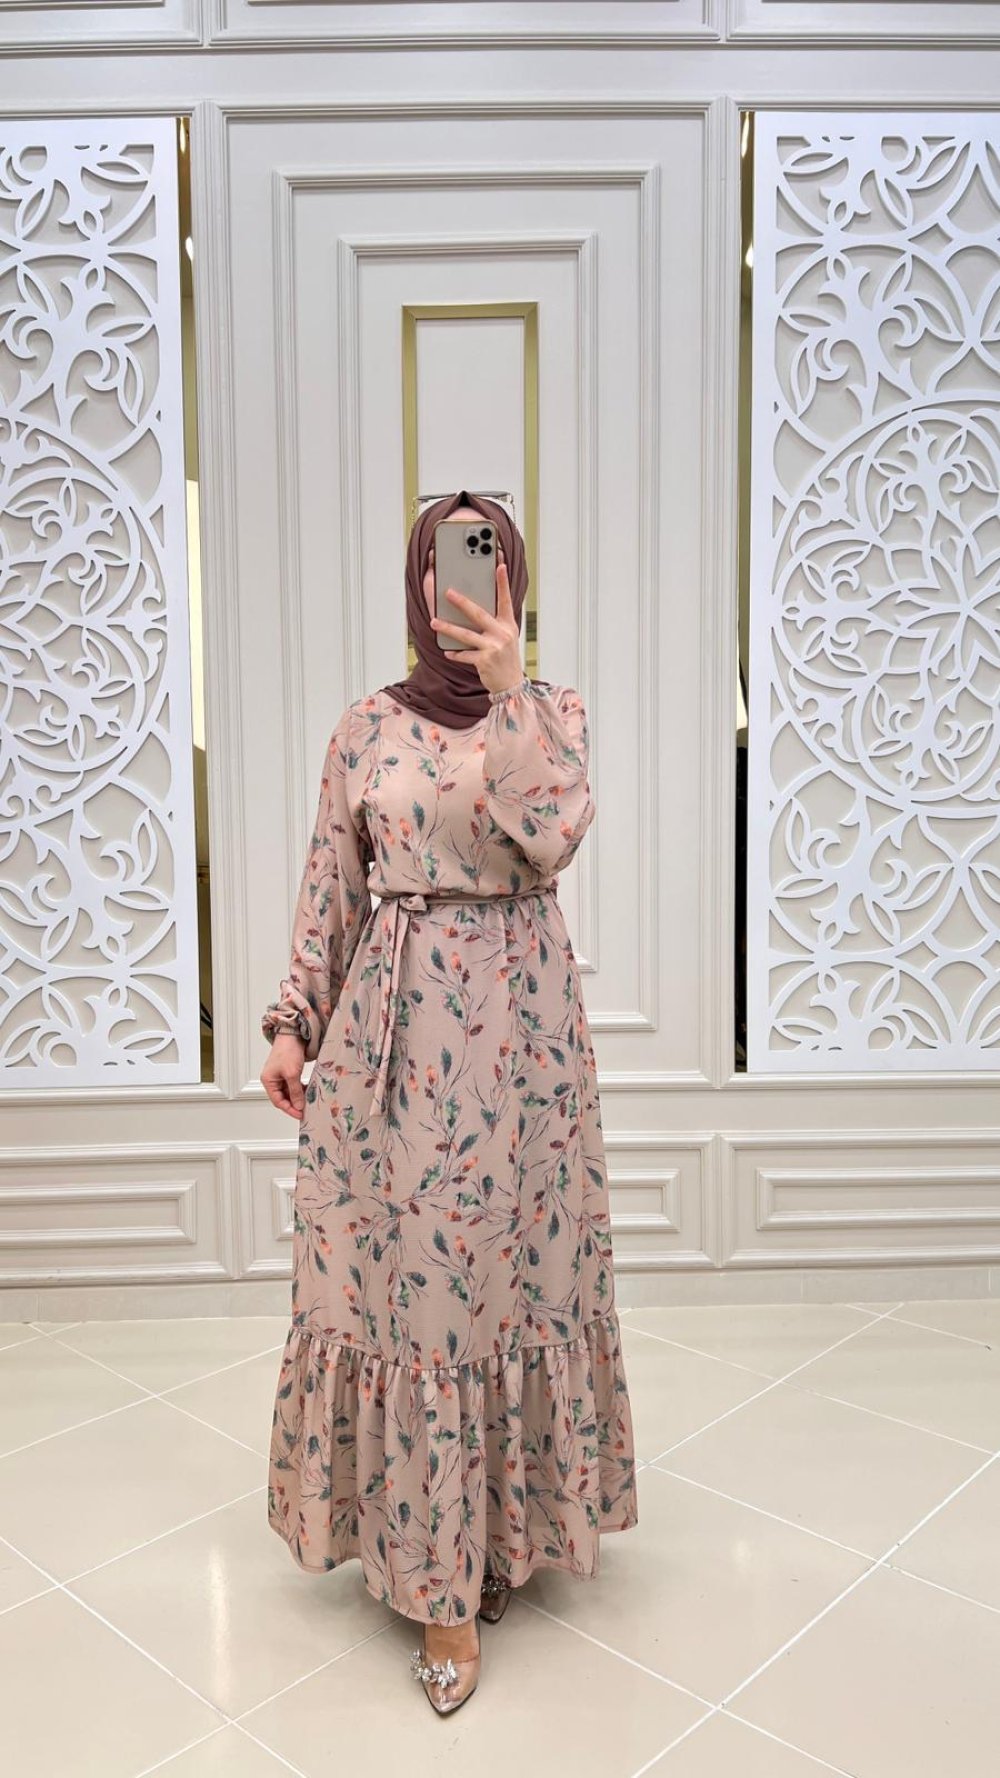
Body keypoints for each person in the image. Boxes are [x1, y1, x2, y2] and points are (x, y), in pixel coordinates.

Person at [260, 489, 639, 1715]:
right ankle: (437, 1585)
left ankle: (497, 1531)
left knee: (512, 1283)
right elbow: (334, 880)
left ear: (513, 580)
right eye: (439, 563)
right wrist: (292, 1017)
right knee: (419, 1299)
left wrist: (512, 690)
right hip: (396, 1036)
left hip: (524, 1040)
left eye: (481, 562)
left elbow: (552, 833)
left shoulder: (554, 711)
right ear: (415, 583)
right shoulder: (364, 726)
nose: (457, 586)